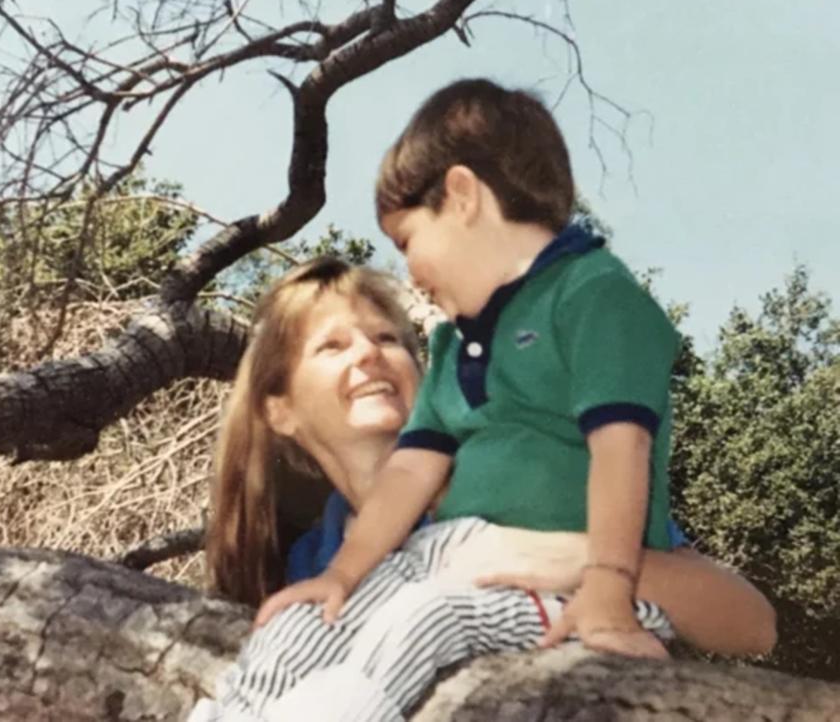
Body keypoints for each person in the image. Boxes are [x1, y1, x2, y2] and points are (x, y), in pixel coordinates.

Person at [194, 256, 775, 721]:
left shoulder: (520, 479)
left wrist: (570, 558)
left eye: (388, 339)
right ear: (281, 411)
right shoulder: (310, 562)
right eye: (333, 346)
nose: (371, 353)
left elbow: (751, 625)